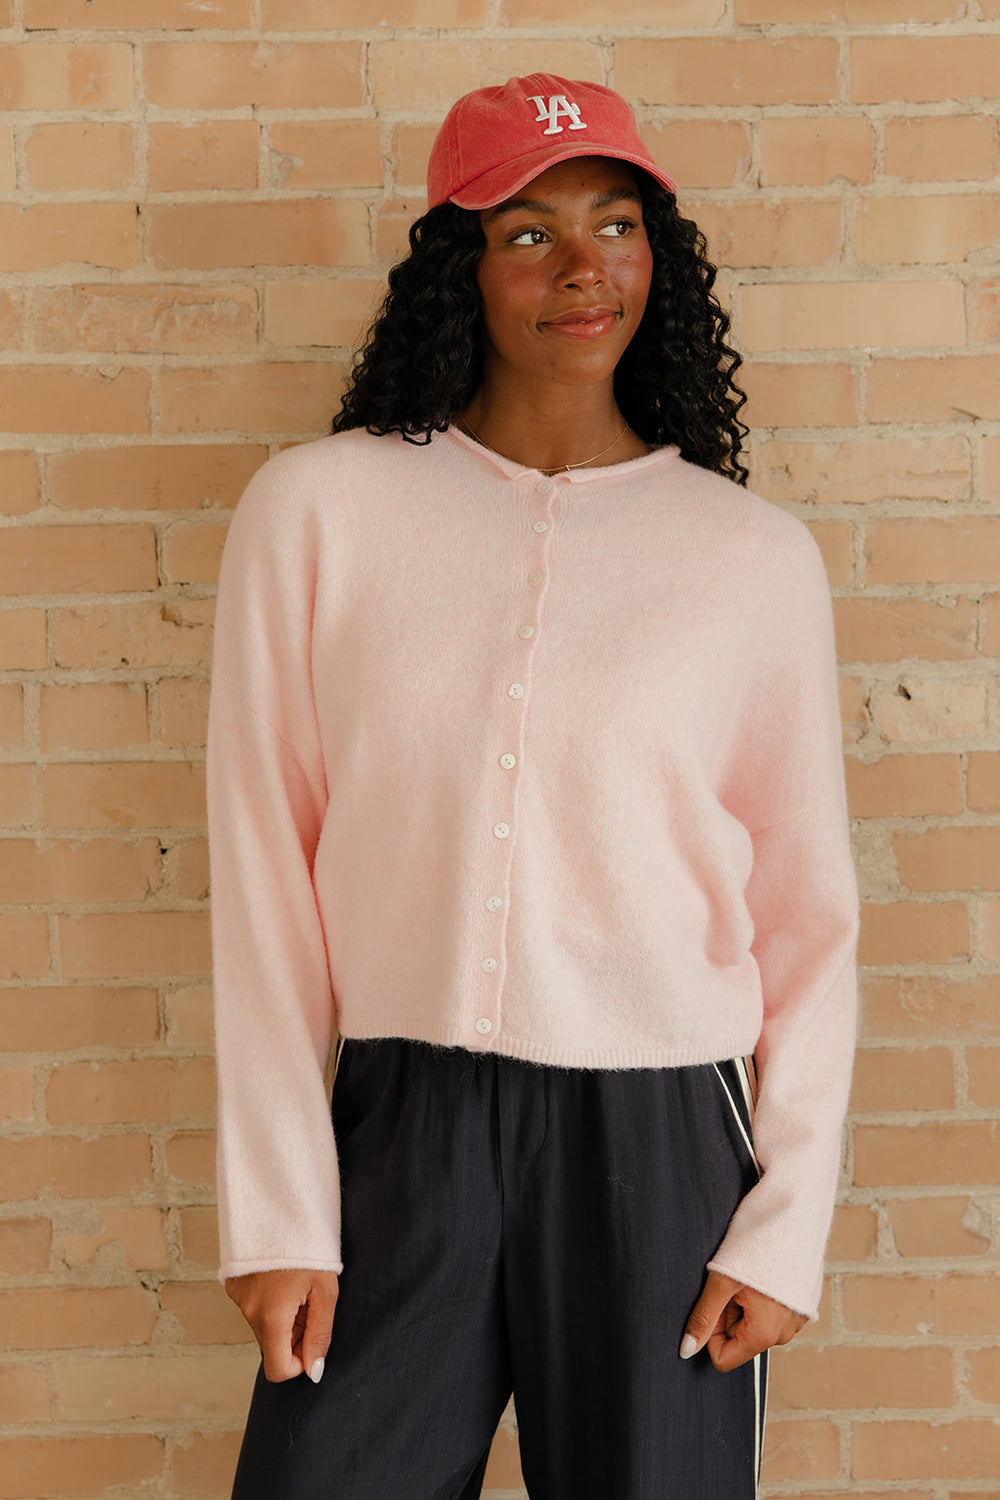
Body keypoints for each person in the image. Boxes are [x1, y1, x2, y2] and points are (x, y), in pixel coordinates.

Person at [206, 73, 861, 1500]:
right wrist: (279, 1206)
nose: (582, 268)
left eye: (616, 225)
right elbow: (263, 877)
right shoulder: (318, 512)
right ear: (459, 265)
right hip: (400, 1125)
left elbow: (810, 920)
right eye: (527, 233)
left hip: (665, 1145)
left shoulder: (750, 559)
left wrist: (788, 1222)